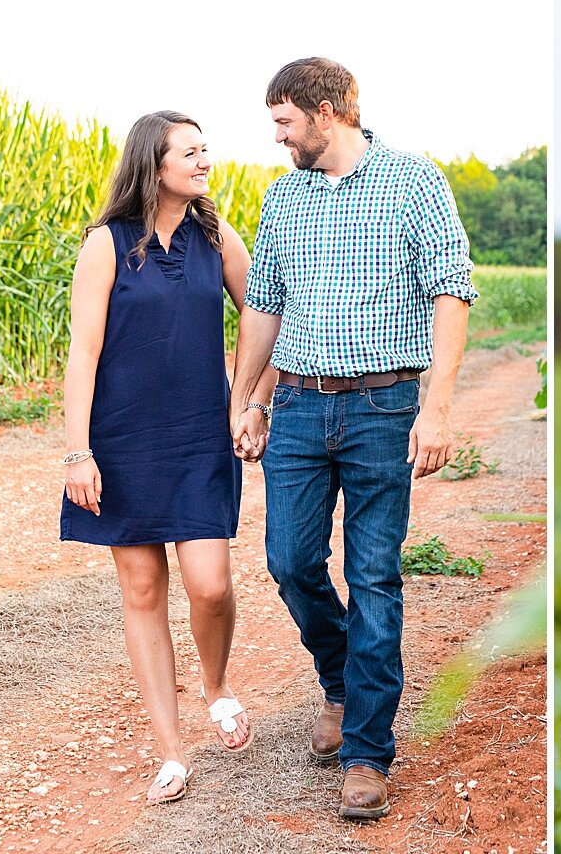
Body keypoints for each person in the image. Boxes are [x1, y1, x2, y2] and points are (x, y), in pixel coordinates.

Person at [227, 57, 477, 820]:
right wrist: (247, 402)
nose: (278, 139)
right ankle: (338, 679)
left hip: (384, 408)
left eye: (284, 123)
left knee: (373, 576)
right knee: (290, 561)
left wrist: (436, 409)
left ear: (326, 113)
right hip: (300, 407)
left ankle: (367, 751)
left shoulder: (413, 180)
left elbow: (451, 290)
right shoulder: (285, 197)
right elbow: (265, 307)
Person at [62, 111, 269, 804]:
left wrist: (249, 400)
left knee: (210, 583)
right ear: (154, 165)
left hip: (199, 435)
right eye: (191, 151)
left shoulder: (218, 234)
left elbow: (263, 316)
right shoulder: (106, 243)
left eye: (206, 149)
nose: (205, 160)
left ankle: (216, 687)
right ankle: (171, 752)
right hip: (121, 440)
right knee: (143, 591)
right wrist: (77, 452)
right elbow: (83, 353)